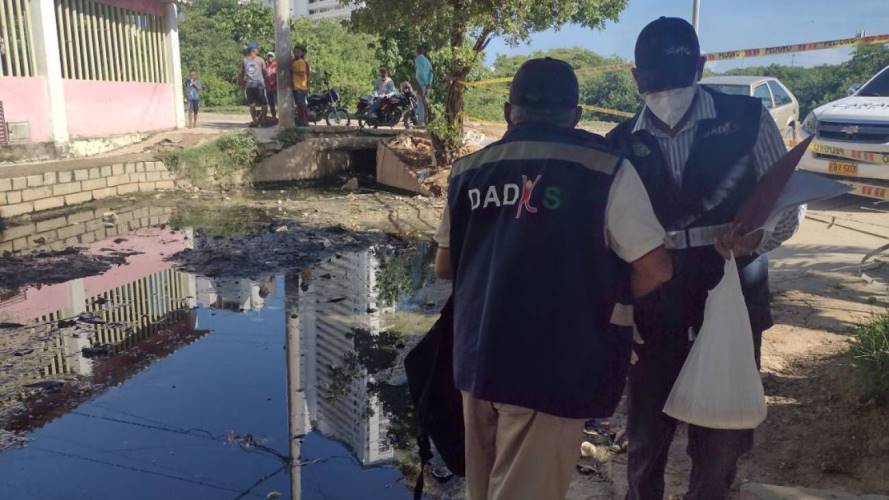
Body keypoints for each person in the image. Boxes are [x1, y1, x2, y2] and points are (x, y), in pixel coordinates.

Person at [434, 57, 673, 500]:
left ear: (509, 112)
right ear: (576, 114)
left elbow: (445, 266)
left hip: (477, 359)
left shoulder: (467, 171)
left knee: (482, 490)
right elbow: (656, 267)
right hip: (551, 368)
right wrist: (600, 300)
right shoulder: (606, 170)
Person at [605, 17, 804, 500]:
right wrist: (619, 310)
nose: (667, 91)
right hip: (655, 306)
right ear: (636, 78)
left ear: (701, 66)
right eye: (656, 79)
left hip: (732, 296)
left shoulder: (749, 119)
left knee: (720, 438)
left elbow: (787, 207)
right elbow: (608, 240)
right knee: (646, 435)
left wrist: (755, 239)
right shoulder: (617, 144)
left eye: (678, 76)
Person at [239, 42, 268, 127]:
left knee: (252, 104)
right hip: (259, 85)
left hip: (250, 85)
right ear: (254, 50)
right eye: (257, 49)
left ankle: (255, 121)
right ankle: (263, 120)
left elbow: (241, 73)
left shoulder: (244, 60)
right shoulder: (260, 60)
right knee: (264, 104)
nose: (258, 50)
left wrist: (241, 83)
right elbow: (265, 73)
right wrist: (267, 83)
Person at [291, 45, 310, 126]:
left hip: (300, 87)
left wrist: (293, 71)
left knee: (301, 105)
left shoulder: (301, 62)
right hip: (297, 86)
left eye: (298, 52)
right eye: (294, 52)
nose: (296, 53)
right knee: (300, 105)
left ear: (302, 53)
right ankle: (301, 120)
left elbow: (302, 73)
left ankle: (304, 121)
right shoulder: (295, 61)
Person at [414, 45, 433, 126]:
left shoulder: (418, 59)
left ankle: (420, 123)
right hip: (428, 85)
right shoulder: (427, 61)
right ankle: (427, 122)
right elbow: (431, 72)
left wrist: (419, 83)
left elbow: (419, 73)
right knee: (426, 103)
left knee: (420, 104)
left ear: (417, 51)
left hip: (421, 84)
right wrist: (429, 83)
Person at [265, 52, 278, 120]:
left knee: (278, 103)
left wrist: (274, 82)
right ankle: (274, 116)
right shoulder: (266, 66)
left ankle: (282, 117)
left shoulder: (276, 65)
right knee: (271, 104)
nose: (270, 58)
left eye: (271, 56)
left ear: (274, 57)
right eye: (268, 56)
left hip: (275, 87)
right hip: (268, 88)